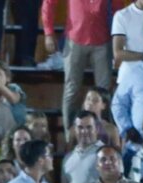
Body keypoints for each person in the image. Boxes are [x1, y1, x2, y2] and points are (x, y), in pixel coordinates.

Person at [41, 0, 112, 129]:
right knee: (71, 90)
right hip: (75, 39)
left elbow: (117, 9)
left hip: (103, 40)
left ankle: (102, 137)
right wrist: (48, 32)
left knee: (104, 93)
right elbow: (49, 3)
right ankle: (70, 137)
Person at [62, 111, 103, 183]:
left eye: (89, 127)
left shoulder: (106, 155)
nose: (84, 131)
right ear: (74, 129)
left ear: (97, 129)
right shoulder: (68, 158)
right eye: (80, 127)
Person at [0, 61, 27, 146]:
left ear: (8, 78)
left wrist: (0, 86)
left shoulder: (14, 89)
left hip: (16, 137)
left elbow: (14, 99)